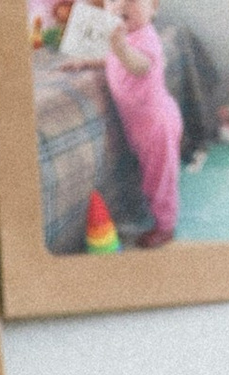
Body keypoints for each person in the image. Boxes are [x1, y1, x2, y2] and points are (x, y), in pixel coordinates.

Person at [80, 0, 184, 247]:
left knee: (160, 178)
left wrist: (119, 47)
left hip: (156, 125)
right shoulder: (124, 39)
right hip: (142, 123)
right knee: (152, 173)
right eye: (114, 0)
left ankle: (165, 226)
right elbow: (117, 62)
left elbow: (139, 65)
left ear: (153, 7)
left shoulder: (146, 38)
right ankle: (155, 211)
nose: (122, 4)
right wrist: (90, 62)